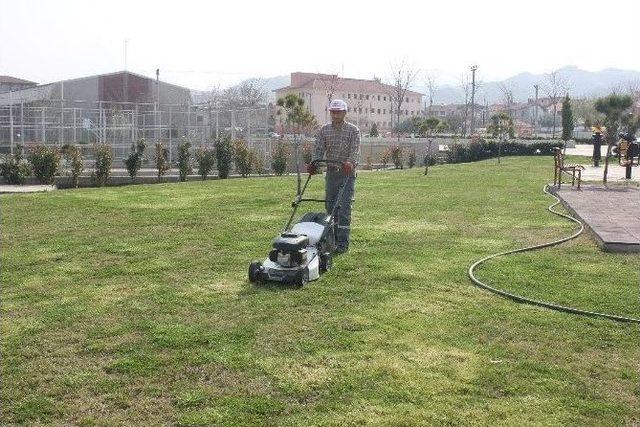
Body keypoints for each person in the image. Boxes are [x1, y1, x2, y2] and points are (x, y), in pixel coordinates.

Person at [307, 99, 360, 253]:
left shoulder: (353, 130)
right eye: (333, 112)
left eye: (338, 112)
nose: (335, 115)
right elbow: (318, 149)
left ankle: (343, 243)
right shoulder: (324, 130)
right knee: (330, 207)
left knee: (343, 207)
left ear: (344, 112)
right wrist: (314, 164)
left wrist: (350, 162)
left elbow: (355, 151)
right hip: (331, 174)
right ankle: (332, 239)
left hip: (347, 174)